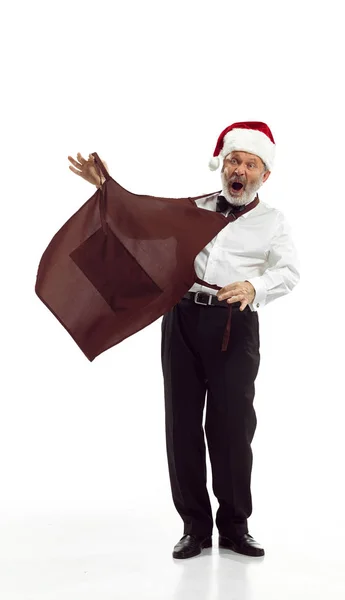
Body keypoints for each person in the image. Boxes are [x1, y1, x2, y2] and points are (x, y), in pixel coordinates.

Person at [67, 121, 300, 560]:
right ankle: (194, 527)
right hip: (182, 319)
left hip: (236, 324)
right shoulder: (192, 208)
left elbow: (288, 272)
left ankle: (235, 525)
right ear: (222, 166)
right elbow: (139, 218)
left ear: (264, 175)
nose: (240, 169)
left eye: (250, 164)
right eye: (234, 160)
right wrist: (106, 188)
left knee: (232, 427)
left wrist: (254, 288)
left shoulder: (273, 221)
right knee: (182, 424)